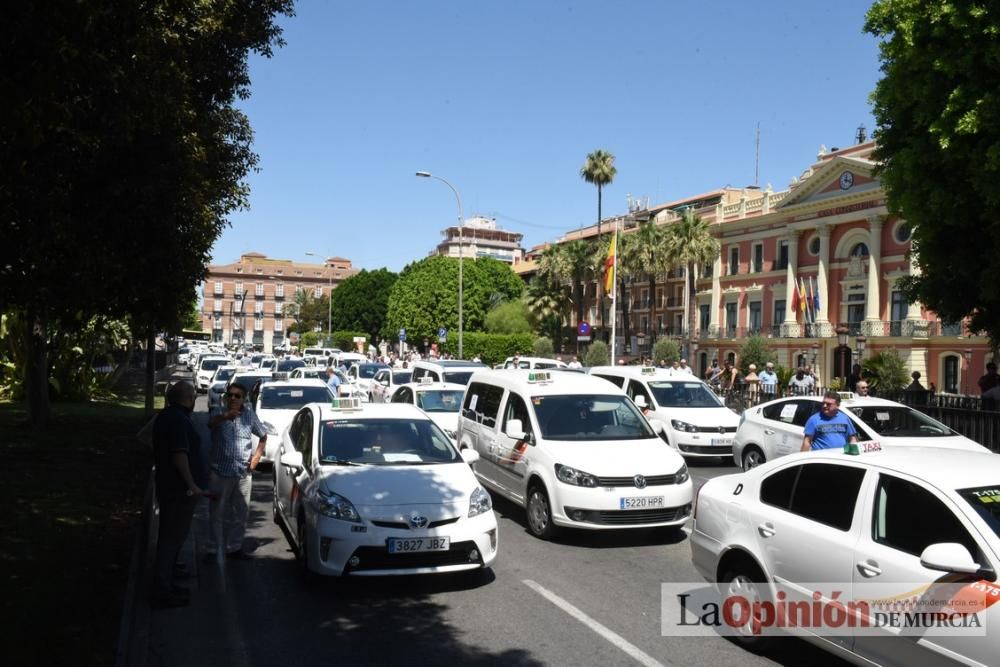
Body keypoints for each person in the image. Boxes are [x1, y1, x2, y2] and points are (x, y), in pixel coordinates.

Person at [151, 381, 208, 607]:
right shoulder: (176, 419)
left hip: (173, 487)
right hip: (177, 490)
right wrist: (192, 484)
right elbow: (179, 455)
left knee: (174, 537)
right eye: (193, 396)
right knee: (171, 538)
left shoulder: (170, 416)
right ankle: (162, 590)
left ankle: (167, 580)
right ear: (188, 398)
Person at [206, 382, 267, 560]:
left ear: (244, 399)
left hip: (242, 473)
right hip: (220, 473)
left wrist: (256, 457)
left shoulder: (249, 415)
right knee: (216, 513)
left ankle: (234, 547)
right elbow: (211, 424)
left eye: (237, 396)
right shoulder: (218, 411)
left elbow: (263, 435)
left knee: (241, 513)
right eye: (230, 395)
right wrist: (226, 416)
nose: (233, 398)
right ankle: (212, 549)